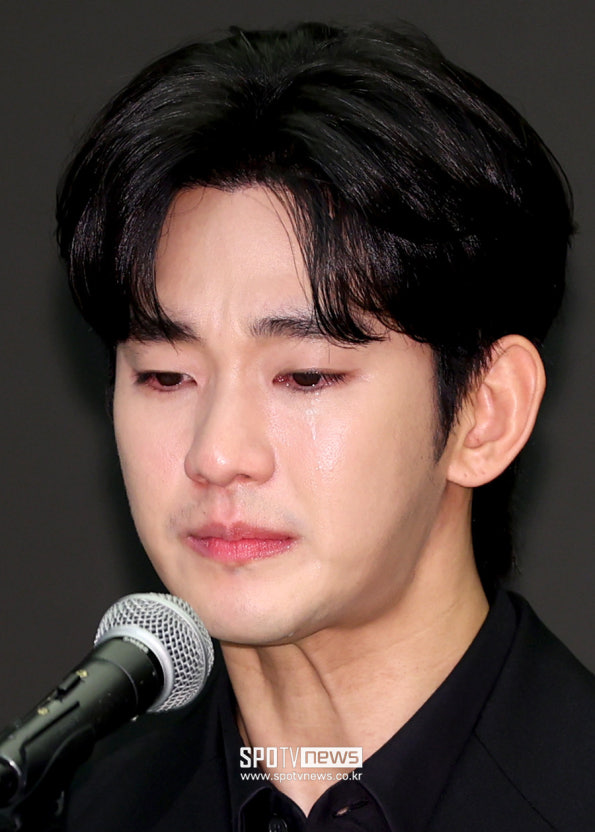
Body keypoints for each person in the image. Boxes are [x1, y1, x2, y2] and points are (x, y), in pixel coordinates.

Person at [53, 21, 594, 831]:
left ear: (486, 411)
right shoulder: (82, 811)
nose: (216, 454)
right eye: (166, 376)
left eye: (305, 376)